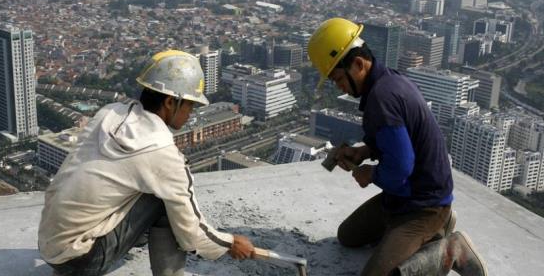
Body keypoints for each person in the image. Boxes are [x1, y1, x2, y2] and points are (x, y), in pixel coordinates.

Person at [38, 50, 255, 276]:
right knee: (166, 201)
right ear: (171, 102)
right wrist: (230, 243)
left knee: (150, 188)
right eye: (190, 105)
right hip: (82, 259)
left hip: (50, 243)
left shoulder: (109, 113)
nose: (191, 113)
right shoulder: (161, 153)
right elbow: (191, 234)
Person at [307, 18, 488, 276]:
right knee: (347, 236)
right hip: (402, 197)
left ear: (358, 64)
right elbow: (394, 140)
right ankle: (422, 234)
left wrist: (370, 175)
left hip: (424, 205)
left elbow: (401, 167)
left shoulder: (382, 97)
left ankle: (450, 248)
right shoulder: (385, 83)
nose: (340, 86)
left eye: (338, 79)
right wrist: (362, 152)